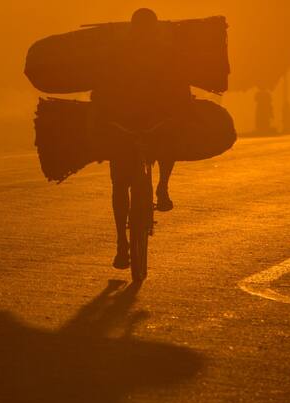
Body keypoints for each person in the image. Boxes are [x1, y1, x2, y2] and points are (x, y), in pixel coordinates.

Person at [92, 8, 192, 269]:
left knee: (166, 144)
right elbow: (102, 87)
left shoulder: (165, 54)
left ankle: (162, 187)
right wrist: (103, 115)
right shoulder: (119, 55)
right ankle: (121, 241)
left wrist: (177, 111)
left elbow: (179, 87)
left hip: (152, 123)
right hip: (124, 125)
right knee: (120, 183)